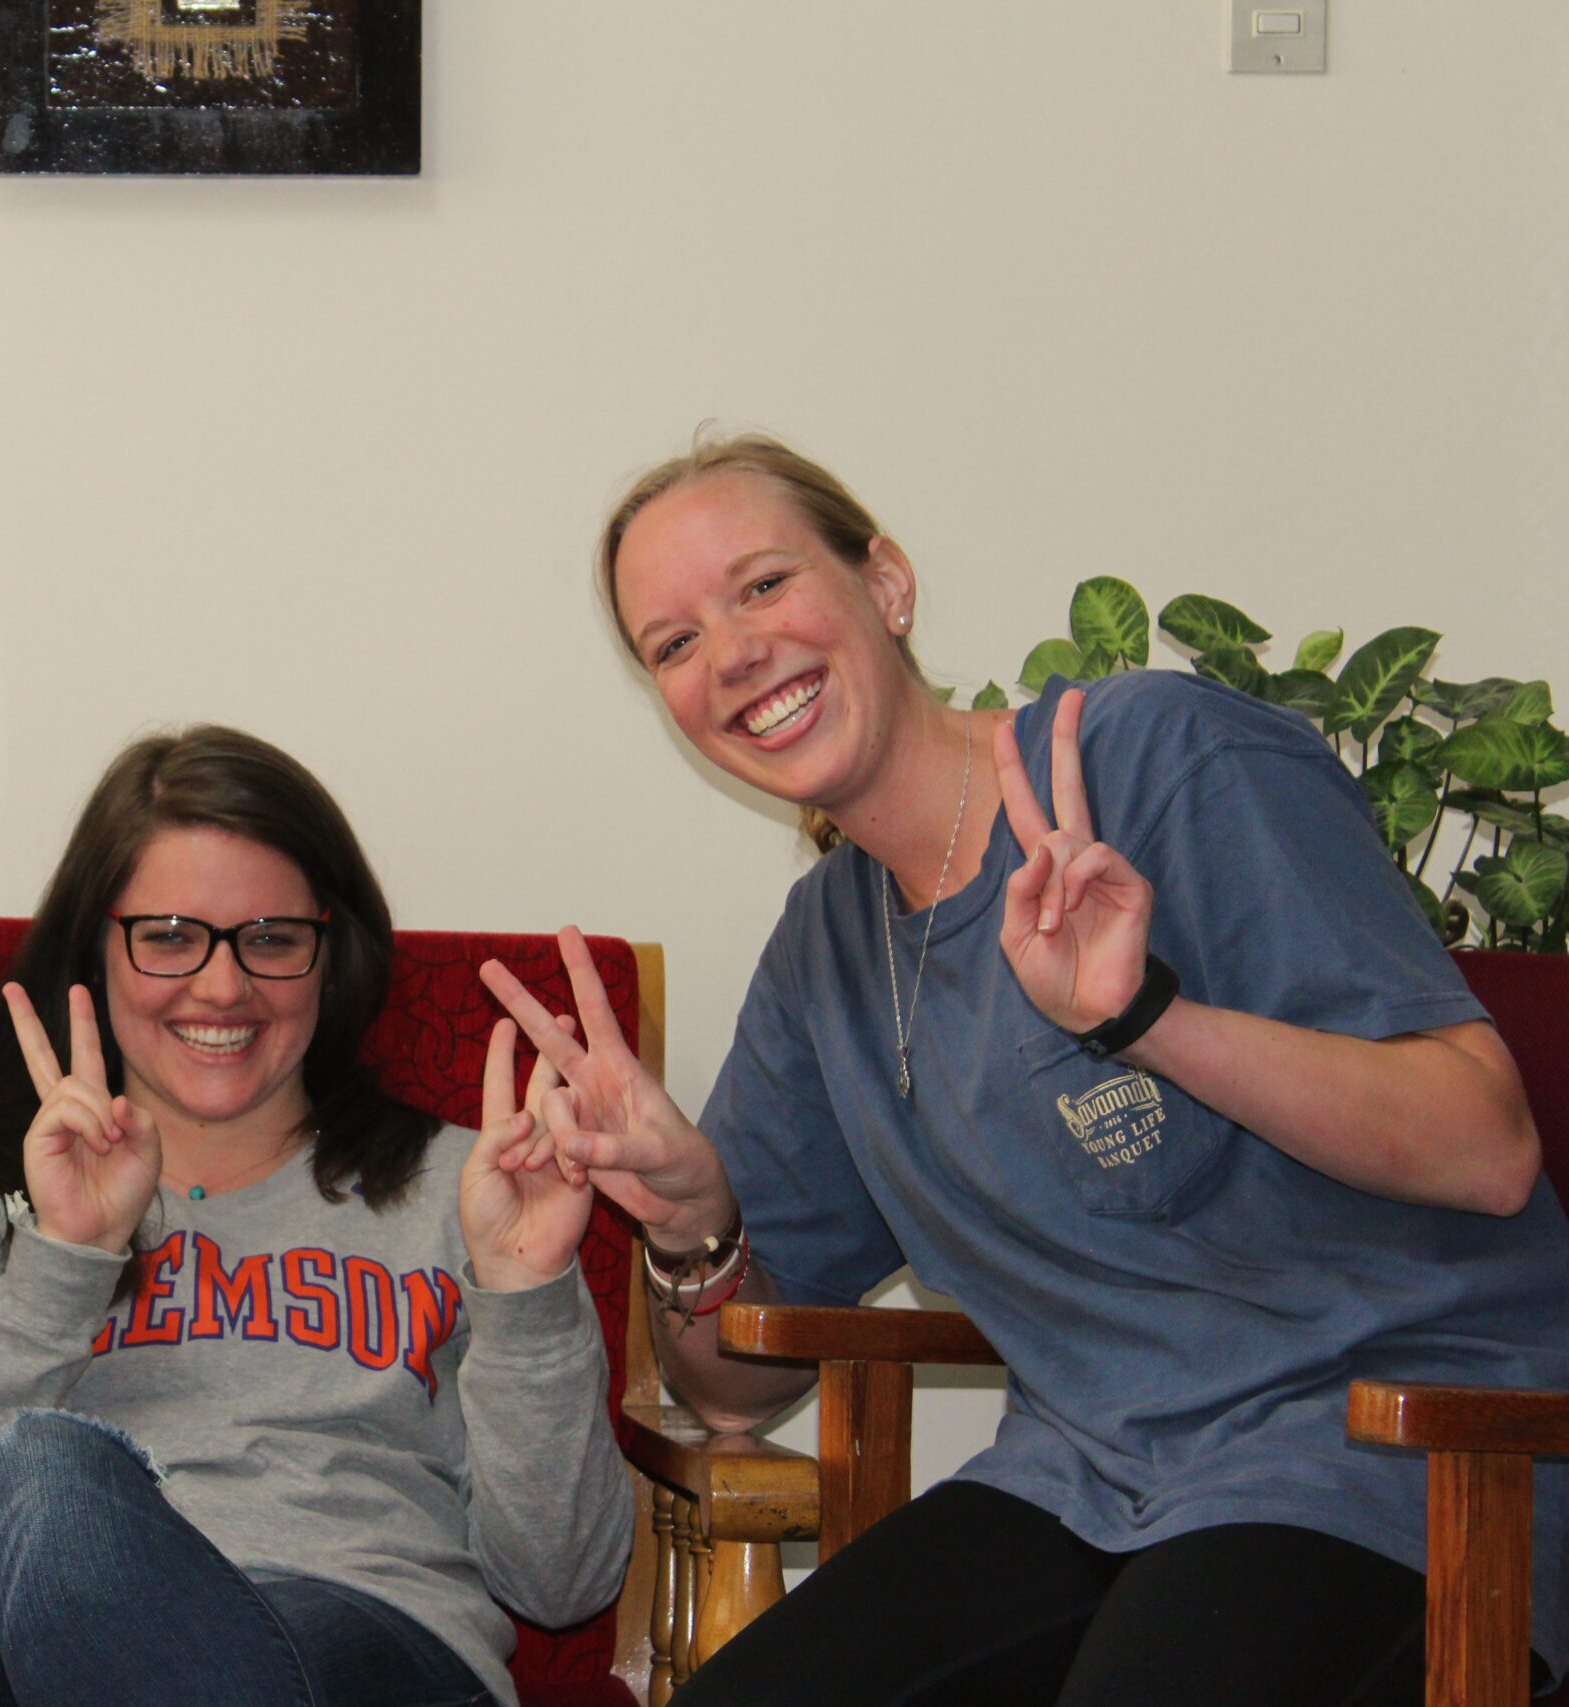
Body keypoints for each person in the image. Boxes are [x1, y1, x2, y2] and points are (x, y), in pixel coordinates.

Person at [482, 434, 1569, 1707]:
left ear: (886, 584)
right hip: (1084, 1481)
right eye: (672, 643)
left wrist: (1145, 1019)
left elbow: (1484, 1148)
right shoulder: (825, 947)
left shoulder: (1155, 758)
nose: (730, 654)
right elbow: (736, 1383)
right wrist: (689, 1223)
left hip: (1387, 1457)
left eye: (763, 585)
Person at [0, 725, 629, 1707]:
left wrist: (526, 1298)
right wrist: (62, 1262)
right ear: (96, 947)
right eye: (170, 936)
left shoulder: (474, 1190)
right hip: (29, 1657)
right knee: (36, 1468)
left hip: (366, 1645)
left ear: (330, 957)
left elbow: (562, 1581)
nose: (222, 986)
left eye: (271, 939)